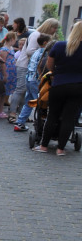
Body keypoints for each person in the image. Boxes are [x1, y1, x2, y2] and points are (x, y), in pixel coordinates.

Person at [35, 20, 82, 155]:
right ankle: (61, 149)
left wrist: (56, 73)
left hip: (59, 84)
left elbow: (49, 65)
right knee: (69, 117)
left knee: (52, 115)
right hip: (78, 86)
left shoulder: (60, 45)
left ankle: (44, 146)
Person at [14, 33, 51, 132]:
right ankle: (41, 124)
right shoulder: (45, 53)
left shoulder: (36, 51)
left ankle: (20, 122)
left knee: (29, 102)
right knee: (40, 103)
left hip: (29, 78)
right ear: (45, 42)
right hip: (36, 80)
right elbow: (41, 66)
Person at [0, 32, 18, 120]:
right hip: (5, 73)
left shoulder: (10, 48)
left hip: (10, 73)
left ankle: (0, 110)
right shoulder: (4, 49)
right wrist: (5, 74)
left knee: (4, 92)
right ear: (12, 39)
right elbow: (2, 62)